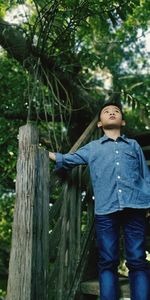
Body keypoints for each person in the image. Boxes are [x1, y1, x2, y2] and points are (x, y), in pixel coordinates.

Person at [49, 102, 150, 300]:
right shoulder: (92, 148)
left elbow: (145, 176)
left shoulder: (134, 146)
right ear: (99, 124)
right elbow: (68, 159)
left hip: (135, 206)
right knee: (107, 261)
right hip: (105, 210)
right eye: (106, 112)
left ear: (123, 121)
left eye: (116, 111)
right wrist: (42, 152)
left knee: (137, 259)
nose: (112, 113)